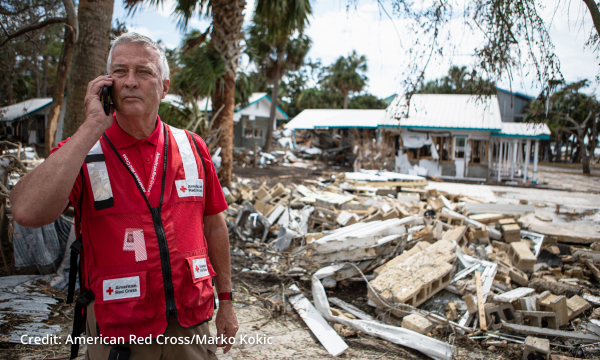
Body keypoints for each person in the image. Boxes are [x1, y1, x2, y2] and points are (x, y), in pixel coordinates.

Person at [10, 32, 238, 360]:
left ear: (164, 86)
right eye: (119, 72)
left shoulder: (192, 147)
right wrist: (91, 127)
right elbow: (28, 212)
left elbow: (214, 225)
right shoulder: (84, 150)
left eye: (143, 71)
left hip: (190, 327)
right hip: (120, 331)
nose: (130, 81)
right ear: (106, 84)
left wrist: (226, 302)